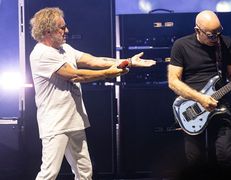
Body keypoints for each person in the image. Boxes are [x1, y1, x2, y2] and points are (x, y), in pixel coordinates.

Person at [29, 7, 155, 180]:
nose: (67, 30)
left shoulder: (65, 49)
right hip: (55, 123)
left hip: (74, 119)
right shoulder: (42, 54)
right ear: (48, 30)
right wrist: (107, 74)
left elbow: (94, 61)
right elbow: (75, 75)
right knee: (49, 173)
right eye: (62, 27)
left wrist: (128, 62)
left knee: (84, 172)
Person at [168, 10, 231, 179]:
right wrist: (200, 98)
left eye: (218, 33)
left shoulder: (225, 43)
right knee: (196, 160)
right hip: (191, 108)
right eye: (210, 35)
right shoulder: (181, 45)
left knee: (226, 156)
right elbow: (173, 82)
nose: (215, 38)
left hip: (219, 104)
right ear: (197, 30)